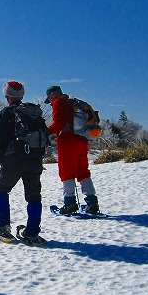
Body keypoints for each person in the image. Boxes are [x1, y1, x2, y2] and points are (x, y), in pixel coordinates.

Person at [0, 81, 47, 245]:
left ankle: (2, 226)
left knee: (2, 189)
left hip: (13, 159)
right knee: (34, 197)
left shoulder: (7, 113)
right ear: (22, 96)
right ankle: (32, 232)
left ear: (7, 97)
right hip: (35, 159)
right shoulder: (34, 114)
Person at [45, 85, 100, 214]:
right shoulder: (73, 102)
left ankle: (69, 203)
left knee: (66, 172)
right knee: (83, 171)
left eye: (49, 98)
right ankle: (92, 202)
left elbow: (58, 123)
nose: (50, 102)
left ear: (53, 94)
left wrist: (45, 131)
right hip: (81, 139)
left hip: (67, 140)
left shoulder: (58, 102)